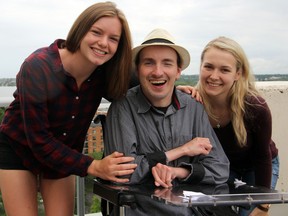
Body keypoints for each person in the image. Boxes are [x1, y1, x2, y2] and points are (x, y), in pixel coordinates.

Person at [0, 2, 137, 216]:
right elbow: (39, 140)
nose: (103, 43)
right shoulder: (38, 66)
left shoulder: (108, 71)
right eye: (96, 32)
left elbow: (148, 85)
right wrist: (94, 166)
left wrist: (178, 90)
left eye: (113, 39)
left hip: (62, 153)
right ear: (81, 30)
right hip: (20, 148)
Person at [104, 28, 230, 216]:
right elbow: (124, 173)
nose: (158, 72)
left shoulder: (193, 107)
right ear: (138, 70)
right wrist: (182, 151)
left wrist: (179, 171)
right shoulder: (123, 108)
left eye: (167, 63)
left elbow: (220, 169)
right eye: (149, 63)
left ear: (178, 71)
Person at [192, 36, 279, 216]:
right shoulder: (192, 104)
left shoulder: (255, 108)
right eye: (208, 67)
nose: (214, 76)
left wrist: (263, 206)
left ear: (238, 74)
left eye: (224, 69)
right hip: (223, 168)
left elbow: (263, 157)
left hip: (258, 166)